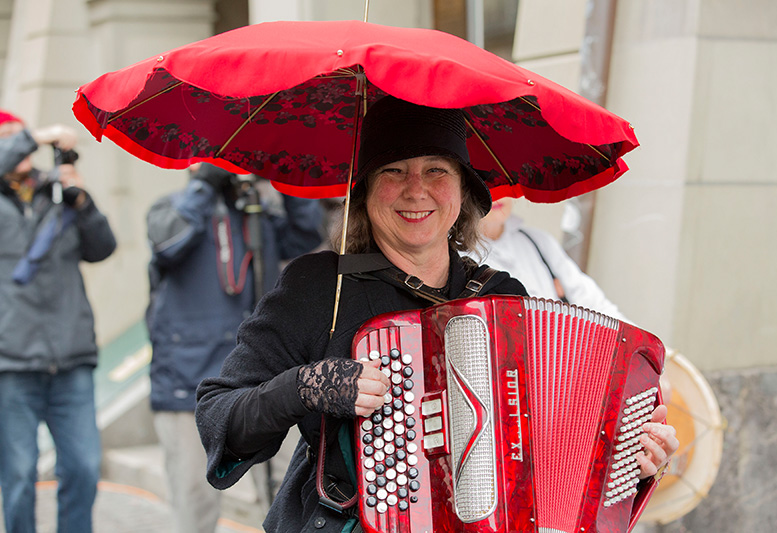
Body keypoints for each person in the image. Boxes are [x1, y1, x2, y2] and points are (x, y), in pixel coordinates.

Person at [194, 96, 678, 532]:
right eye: (394, 171)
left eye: (436, 171)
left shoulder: (502, 298)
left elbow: (551, 454)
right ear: (364, 192)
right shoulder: (319, 287)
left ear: (463, 192)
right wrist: (304, 387)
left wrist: (624, 462)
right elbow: (218, 415)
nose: (416, 191)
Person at [145, 162, 323, 533]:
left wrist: (285, 175)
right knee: (195, 506)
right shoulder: (171, 208)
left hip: (259, 381)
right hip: (187, 384)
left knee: (285, 497)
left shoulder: (255, 214)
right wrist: (205, 185)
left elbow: (305, 235)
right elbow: (168, 243)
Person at [0, 110, 117, 533]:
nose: (23, 147)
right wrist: (38, 133)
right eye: (11, 138)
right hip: (12, 362)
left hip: (71, 358)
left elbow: (103, 247)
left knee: (85, 468)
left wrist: (82, 200)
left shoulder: (56, 194)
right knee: (18, 475)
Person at [469, 196, 628, 319]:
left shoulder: (538, 241)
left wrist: (644, 350)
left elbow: (593, 303)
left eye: (501, 184)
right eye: (485, 184)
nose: (497, 195)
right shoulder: (457, 256)